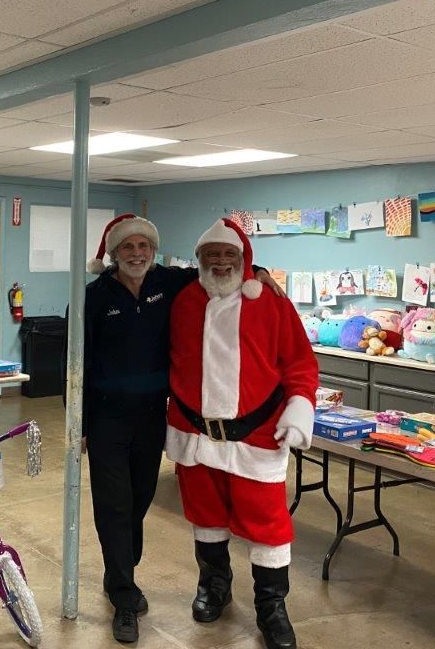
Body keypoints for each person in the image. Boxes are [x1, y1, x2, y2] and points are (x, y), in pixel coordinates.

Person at [82, 213, 280, 644]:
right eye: (128, 247)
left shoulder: (168, 284)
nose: (137, 254)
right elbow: (76, 364)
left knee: (138, 501)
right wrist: (78, 423)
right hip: (106, 419)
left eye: (144, 247)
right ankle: (123, 594)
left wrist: (258, 271)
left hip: (153, 416)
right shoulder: (93, 297)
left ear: (153, 252)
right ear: (113, 254)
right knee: (114, 505)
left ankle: (120, 571)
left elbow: (217, 267)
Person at [165, 218, 318, 649]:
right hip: (194, 436)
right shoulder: (182, 300)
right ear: (197, 259)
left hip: (257, 438)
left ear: (244, 259)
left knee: (268, 527)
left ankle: (272, 608)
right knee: (205, 516)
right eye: (210, 254)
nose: (219, 261)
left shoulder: (269, 302)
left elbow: (301, 364)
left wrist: (299, 406)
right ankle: (214, 585)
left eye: (228, 254)